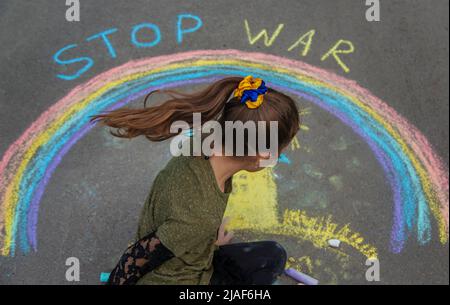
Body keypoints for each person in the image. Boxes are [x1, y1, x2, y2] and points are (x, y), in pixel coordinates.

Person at [90, 75, 300, 285]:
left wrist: (208, 242)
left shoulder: (205, 142)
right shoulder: (200, 214)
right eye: (281, 150)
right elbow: (135, 260)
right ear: (263, 155)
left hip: (193, 251)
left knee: (273, 255)